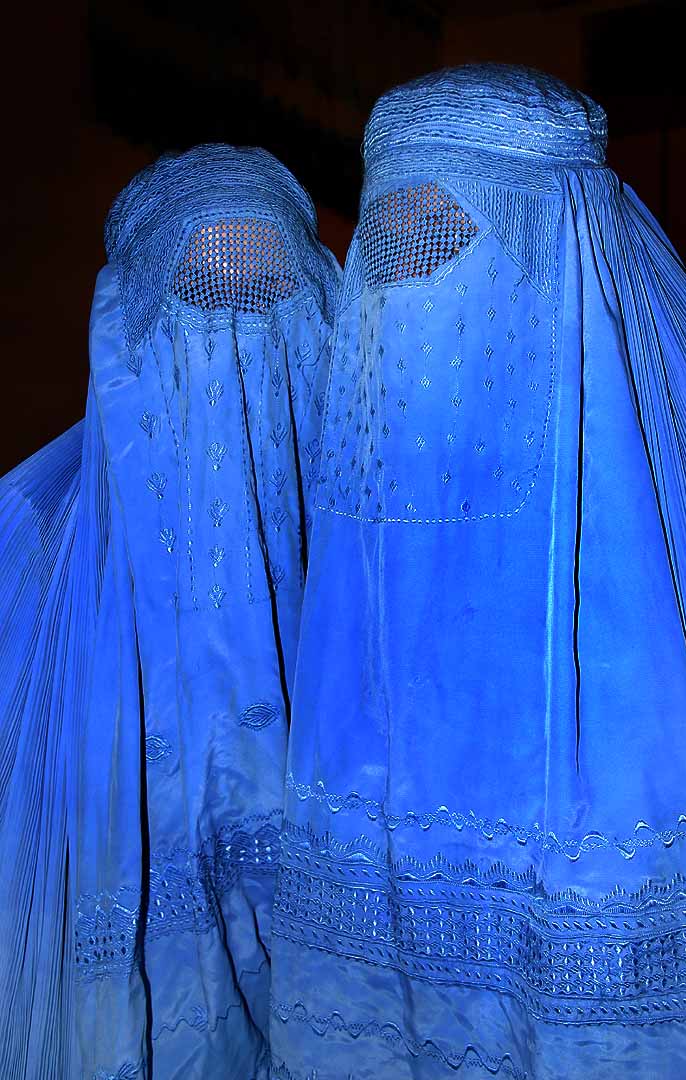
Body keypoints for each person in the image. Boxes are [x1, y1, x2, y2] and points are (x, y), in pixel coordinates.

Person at [270, 65, 686, 1079]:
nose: (410, 297)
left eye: (446, 248)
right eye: (384, 256)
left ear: (569, 249)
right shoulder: (358, 535)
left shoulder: (683, 505)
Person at [0, 144, 339, 1079]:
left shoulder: (379, 568)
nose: (237, 358)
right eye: (200, 306)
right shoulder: (27, 552)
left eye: (268, 307)